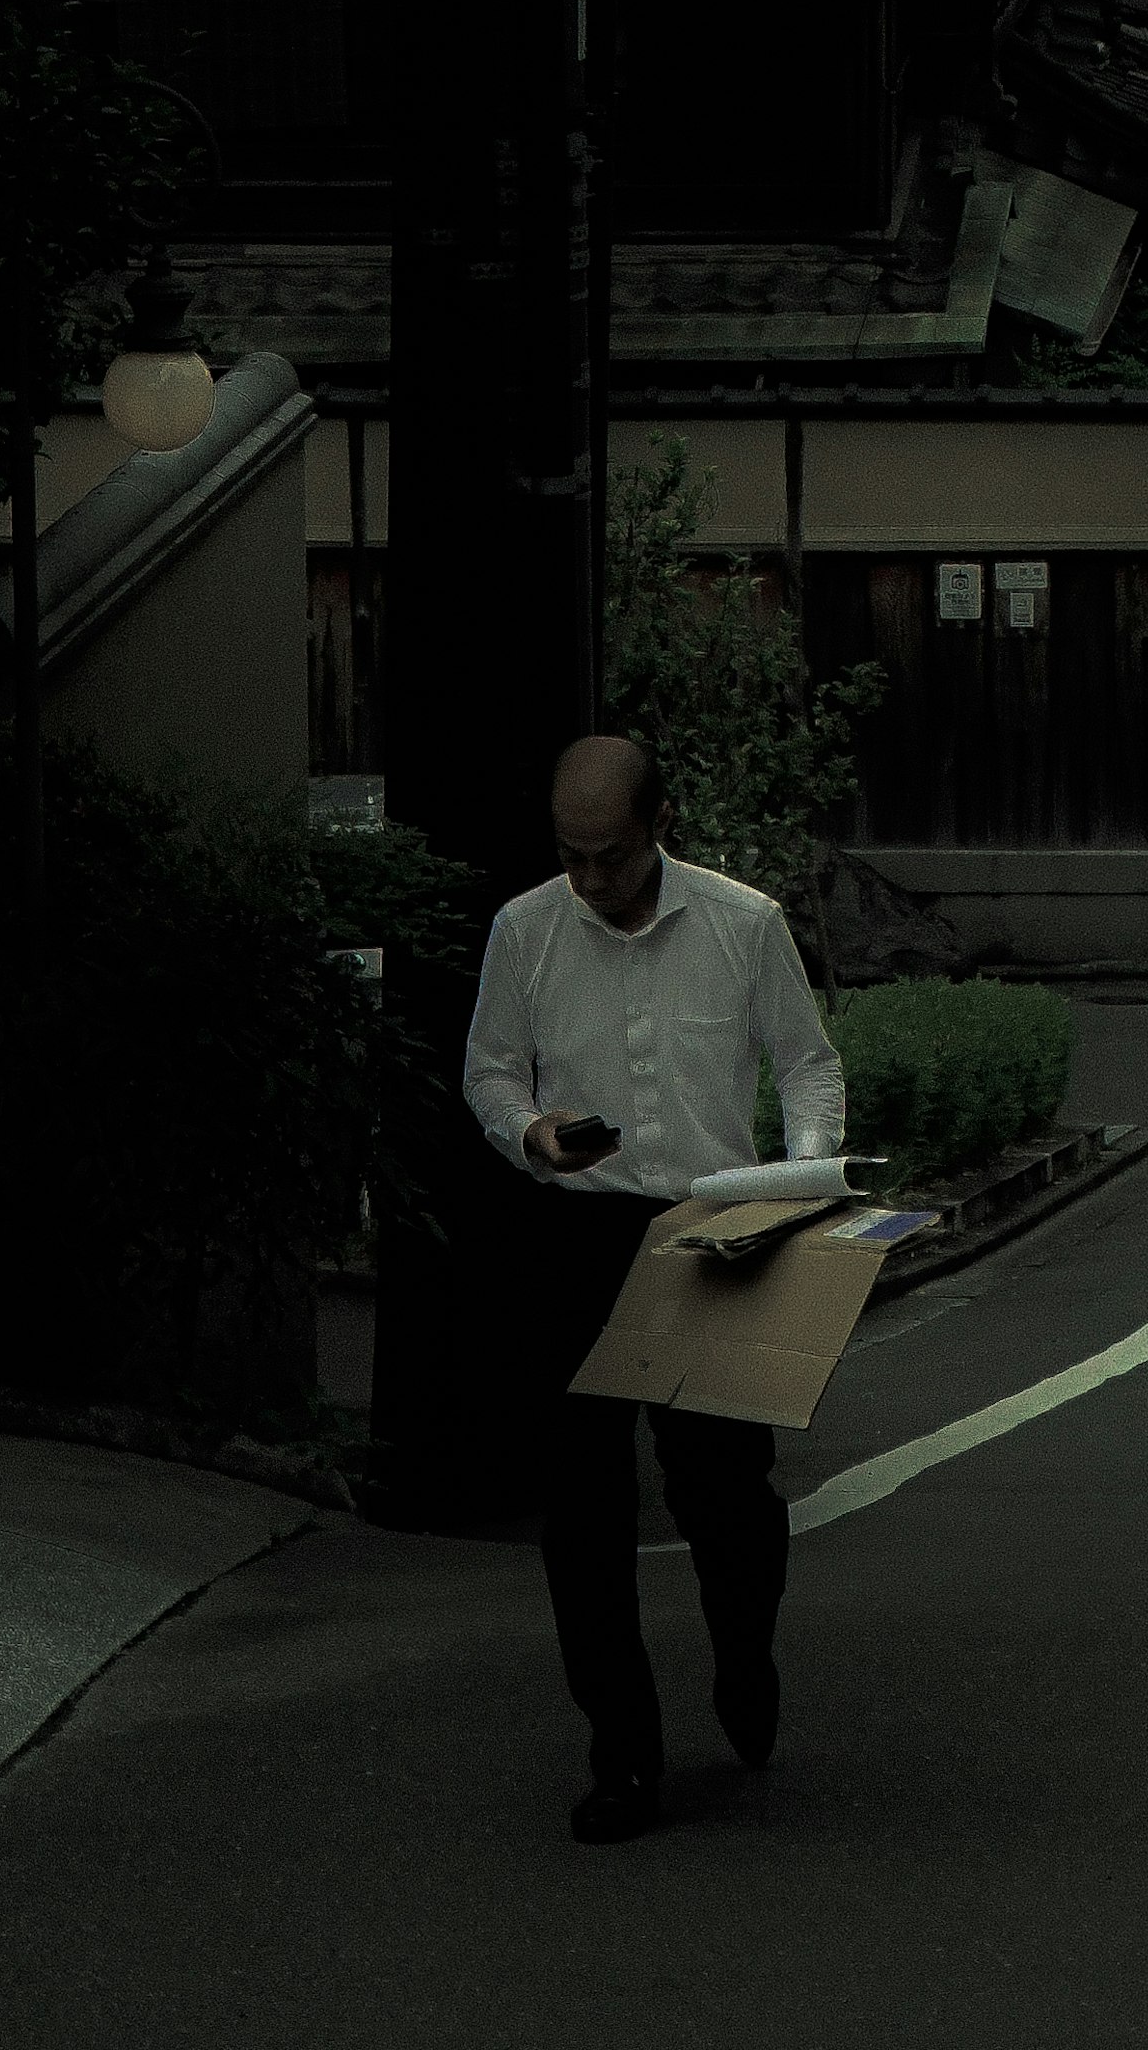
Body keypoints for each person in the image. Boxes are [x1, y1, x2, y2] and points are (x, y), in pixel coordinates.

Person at [463, 729, 847, 1847]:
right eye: (573, 856)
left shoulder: (743, 923)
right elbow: (490, 1066)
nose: (591, 880)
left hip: (712, 1227)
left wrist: (802, 1175)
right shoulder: (526, 931)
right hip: (577, 1232)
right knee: (581, 1511)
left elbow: (807, 1061)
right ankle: (623, 1756)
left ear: (658, 831)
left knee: (727, 1494)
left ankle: (743, 1652)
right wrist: (529, 1130)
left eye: (613, 858)